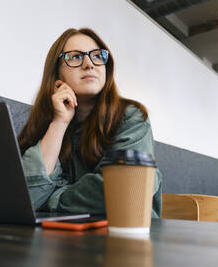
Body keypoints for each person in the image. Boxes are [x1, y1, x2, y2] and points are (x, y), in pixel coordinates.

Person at [18, 28, 162, 217]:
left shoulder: (131, 117)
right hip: (58, 242)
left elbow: (125, 187)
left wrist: (56, 197)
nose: (89, 64)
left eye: (97, 56)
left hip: (123, 239)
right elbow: (27, 197)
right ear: (57, 73)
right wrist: (59, 123)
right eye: (75, 57)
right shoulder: (46, 124)